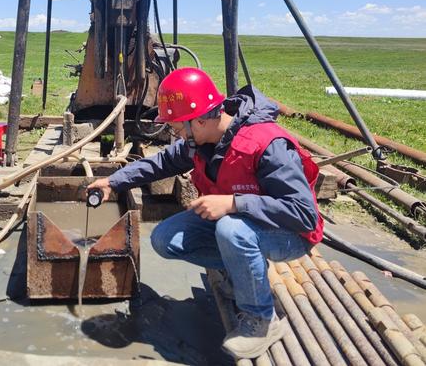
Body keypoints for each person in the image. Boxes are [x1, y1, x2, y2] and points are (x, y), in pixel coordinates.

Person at [87, 67, 323, 359]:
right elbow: (159, 164)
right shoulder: (198, 142)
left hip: (290, 234)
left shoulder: (267, 144)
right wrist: (113, 182)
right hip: (244, 223)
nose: (175, 134)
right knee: (166, 239)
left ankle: (261, 321)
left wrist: (234, 203)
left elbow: (303, 214)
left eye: (176, 127)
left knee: (232, 231)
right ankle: (241, 268)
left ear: (199, 119)